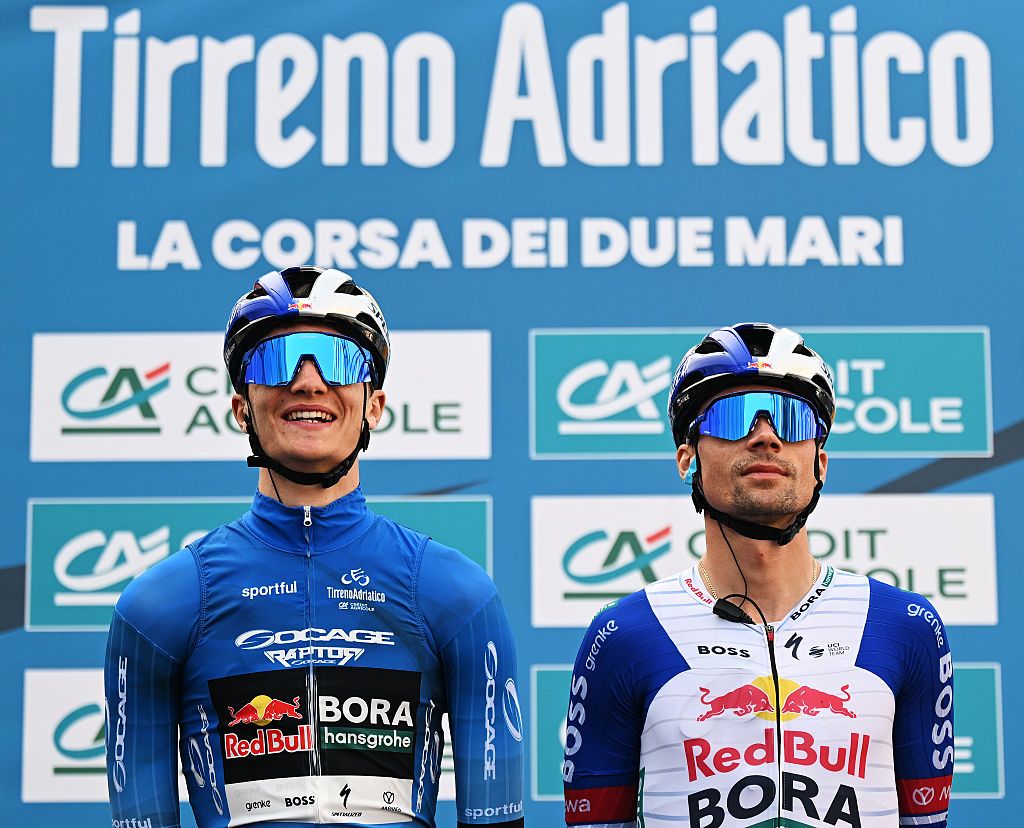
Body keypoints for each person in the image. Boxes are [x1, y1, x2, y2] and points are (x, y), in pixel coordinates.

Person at [105, 265, 524, 828]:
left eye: (338, 360)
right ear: (240, 408)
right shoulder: (160, 604)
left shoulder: (455, 593)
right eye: (276, 362)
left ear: (374, 405)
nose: (308, 383)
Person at [562, 323, 953, 828]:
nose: (766, 436)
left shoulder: (907, 626)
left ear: (821, 463)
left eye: (792, 420)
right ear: (688, 460)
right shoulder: (623, 635)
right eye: (733, 416)